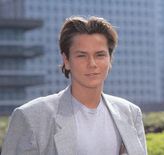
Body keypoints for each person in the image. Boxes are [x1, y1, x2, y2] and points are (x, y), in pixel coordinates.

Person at [1, 16, 147, 155]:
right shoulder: (31, 117)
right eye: (81, 55)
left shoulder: (130, 113)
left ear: (110, 59)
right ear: (66, 60)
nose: (92, 64)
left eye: (100, 55)